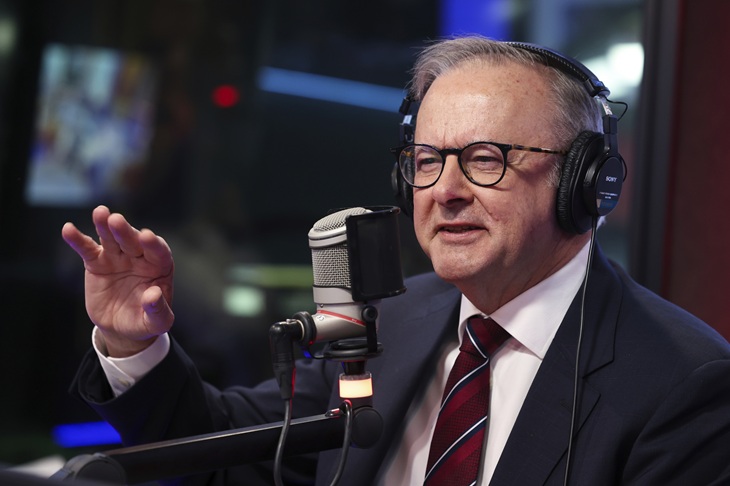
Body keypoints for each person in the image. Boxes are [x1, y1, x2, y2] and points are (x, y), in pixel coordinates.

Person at [62, 35, 730, 485]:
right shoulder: (392, 316)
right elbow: (224, 451)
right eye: (427, 161)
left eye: (486, 159)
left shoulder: (683, 382)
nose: (444, 190)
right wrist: (133, 343)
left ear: (585, 182)